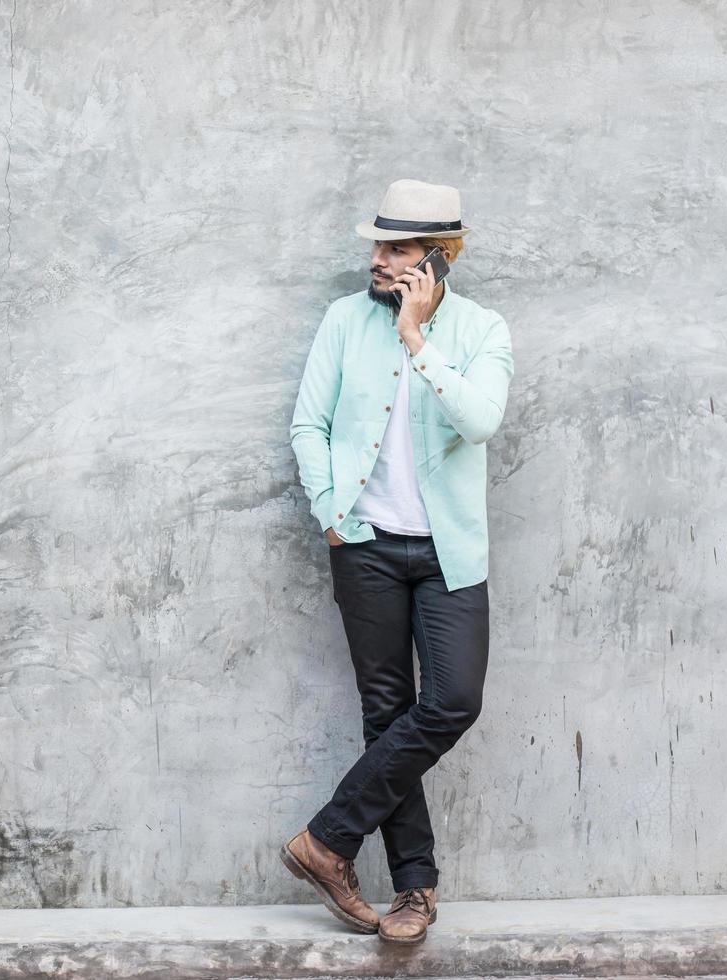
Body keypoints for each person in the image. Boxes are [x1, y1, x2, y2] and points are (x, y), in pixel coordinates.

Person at [282, 180, 514, 945]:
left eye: (397, 250)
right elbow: (307, 424)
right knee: (386, 715)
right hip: (366, 545)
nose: (378, 261)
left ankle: (326, 839)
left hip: (450, 554)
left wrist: (418, 340)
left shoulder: (481, 330)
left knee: (449, 702)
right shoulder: (343, 321)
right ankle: (414, 890)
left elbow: (479, 421)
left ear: (438, 260)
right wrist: (328, 512)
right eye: (376, 247)